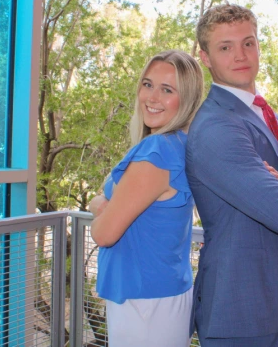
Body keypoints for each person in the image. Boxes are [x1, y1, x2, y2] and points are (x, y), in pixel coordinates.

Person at [186, 4, 278, 346]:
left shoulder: (269, 116)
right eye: (225, 47)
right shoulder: (216, 126)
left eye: (248, 43)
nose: (240, 55)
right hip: (240, 310)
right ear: (205, 58)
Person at [89, 50, 204, 347]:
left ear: (187, 100)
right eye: (148, 84)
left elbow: (103, 233)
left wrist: (102, 206)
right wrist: (106, 204)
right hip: (159, 295)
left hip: (144, 303)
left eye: (167, 90)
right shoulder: (180, 145)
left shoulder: (157, 151)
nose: (152, 97)